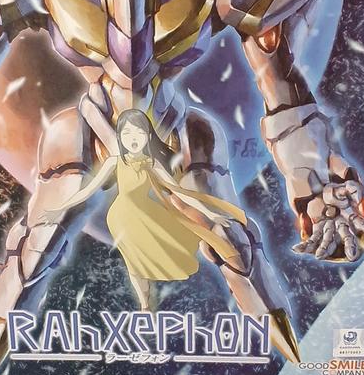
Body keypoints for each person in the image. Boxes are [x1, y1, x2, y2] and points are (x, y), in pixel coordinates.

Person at [35, 109, 248, 310]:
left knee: (161, 249)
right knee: (134, 264)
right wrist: (59, 208)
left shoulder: (151, 163)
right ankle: (145, 305)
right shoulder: (115, 162)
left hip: (145, 213)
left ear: (147, 135)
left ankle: (147, 303)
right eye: (127, 133)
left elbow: (178, 191)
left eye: (138, 133)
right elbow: (88, 190)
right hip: (121, 217)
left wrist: (210, 213)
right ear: (120, 137)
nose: (133, 138)